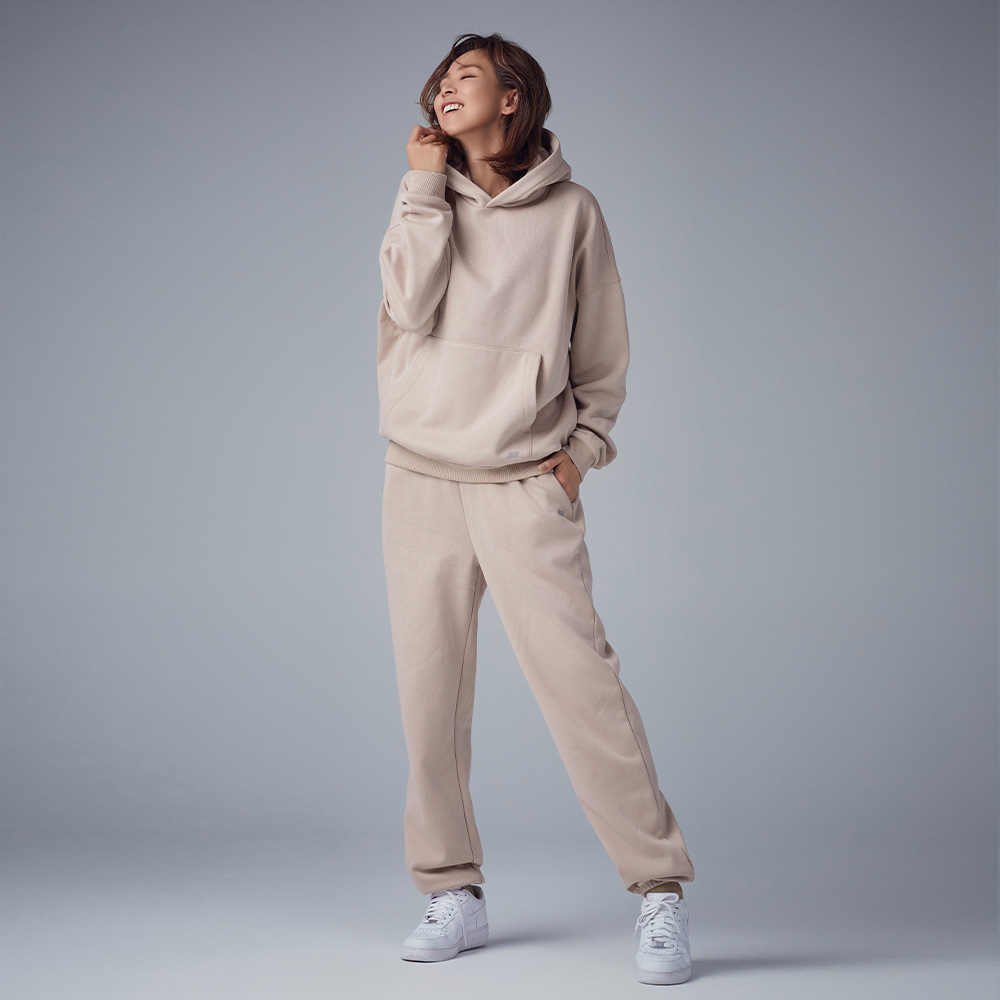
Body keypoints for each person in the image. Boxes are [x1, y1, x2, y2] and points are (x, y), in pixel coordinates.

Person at [377, 32, 696, 986]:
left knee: (582, 689)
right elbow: (408, 305)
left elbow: (602, 354)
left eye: (467, 77)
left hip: (524, 482)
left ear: (513, 98)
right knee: (428, 699)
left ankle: (660, 890)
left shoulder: (573, 213)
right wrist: (423, 188)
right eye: (441, 79)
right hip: (421, 477)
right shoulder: (420, 196)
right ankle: (453, 891)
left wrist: (580, 454)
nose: (446, 89)